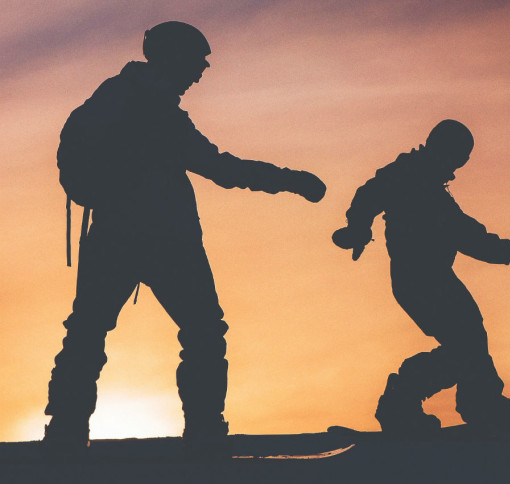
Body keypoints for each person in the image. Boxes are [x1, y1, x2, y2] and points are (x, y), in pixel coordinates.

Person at [43, 21, 327, 459]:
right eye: (198, 61)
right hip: (163, 240)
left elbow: (214, 166)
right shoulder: (152, 109)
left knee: (89, 332)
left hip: (120, 237)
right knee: (200, 332)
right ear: (174, 58)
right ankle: (203, 430)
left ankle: (66, 429)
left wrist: (288, 181)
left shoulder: (124, 98)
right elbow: (220, 169)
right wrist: (291, 181)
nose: (202, 71)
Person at [332, 119, 510, 437]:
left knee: (471, 340)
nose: (457, 167)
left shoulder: (435, 195)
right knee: (466, 345)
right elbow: (370, 194)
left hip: (434, 278)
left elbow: (483, 244)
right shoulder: (409, 175)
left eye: (461, 160)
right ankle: (405, 401)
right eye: (457, 157)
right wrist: (357, 227)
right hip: (418, 279)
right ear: (442, 150)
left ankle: (476, 402)